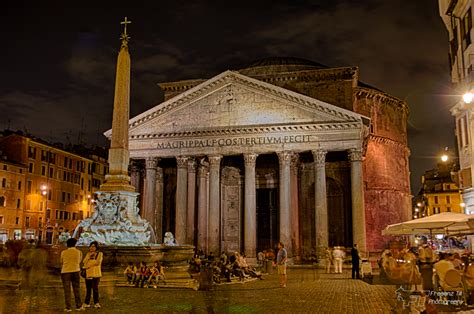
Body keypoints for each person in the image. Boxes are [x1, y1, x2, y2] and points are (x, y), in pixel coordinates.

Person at [60, 238, 84, 312]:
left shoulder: (63, 252)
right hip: (75, 271)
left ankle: (68, 307)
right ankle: (78, 306)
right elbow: (79, 261)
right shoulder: (79, 252)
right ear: (75, 244)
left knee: (67, 290)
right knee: (76, 289)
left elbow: (61, 261)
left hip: (65, 271)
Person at [82, 241, 103, 309]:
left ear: (96, 247)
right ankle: (87, 302)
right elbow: (84, 261)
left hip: (96, 274)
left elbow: (97, 262)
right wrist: (88, 257)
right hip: (88, 274)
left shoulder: (99, 254)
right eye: (90, 246)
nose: (91, 247)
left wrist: (87, 266)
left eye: (93, 246)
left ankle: (96, 303)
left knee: (95, 289)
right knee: (88, 289)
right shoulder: (88, 254)